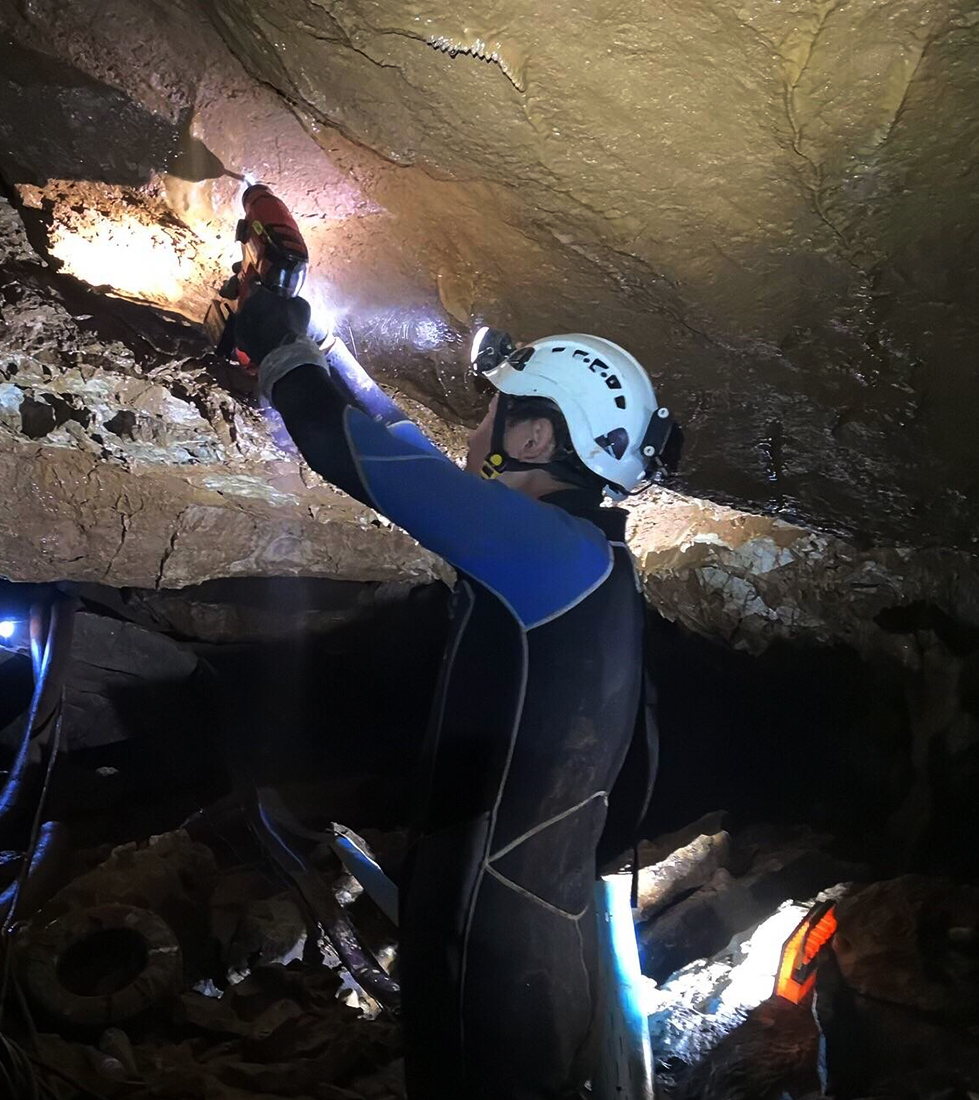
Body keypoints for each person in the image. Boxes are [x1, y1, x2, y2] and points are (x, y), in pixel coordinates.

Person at [236, 296, 676, 1098]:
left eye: (491, 417)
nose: (474, 436)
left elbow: (365, 460)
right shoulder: (593, 564)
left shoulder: (545, 556)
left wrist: (277, 351)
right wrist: (327, 348)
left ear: (535, 438)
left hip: (487, 948)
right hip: (543, 932)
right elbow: (413, 451)